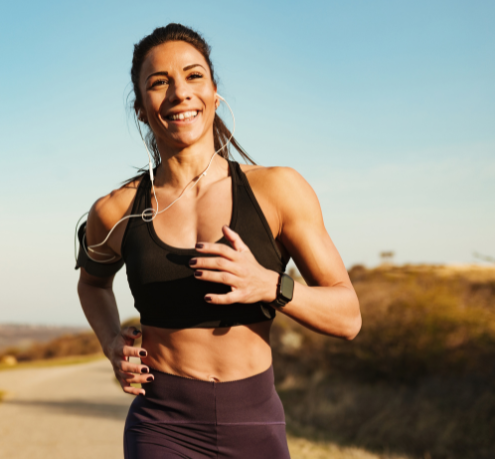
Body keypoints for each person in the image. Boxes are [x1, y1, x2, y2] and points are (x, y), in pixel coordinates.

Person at [75, 23, 362, 459]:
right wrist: (111, 340)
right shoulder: (114, 212)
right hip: (160, 427)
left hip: (255, 423)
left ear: (214, 92)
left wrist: (271, 285)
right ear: (140, 107)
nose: (179, 93)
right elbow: (92, 283)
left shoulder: (278, 191)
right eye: (159, 83)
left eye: (193, 76)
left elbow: (348, 318)